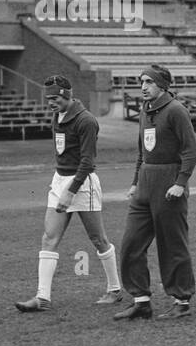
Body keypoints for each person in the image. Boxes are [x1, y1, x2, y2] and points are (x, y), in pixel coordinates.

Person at [15, 74, 123, 311]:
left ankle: (114, 289)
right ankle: (42, 298)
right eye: (48, 99)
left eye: (54, 98)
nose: (50, 103)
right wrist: (60, 186)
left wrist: (70, 191)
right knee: (48, 237)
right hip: (60, 181)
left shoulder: (86, 121)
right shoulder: (57, 115)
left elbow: (87, 162)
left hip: (82, 184)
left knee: (98, 239)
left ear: (66, 95)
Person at [114, 64, 196, 320]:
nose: (142, 87)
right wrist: (134, 182)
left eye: (148, 82)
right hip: (144, 184)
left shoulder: (176, 111)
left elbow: (191, 151)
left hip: (169, 183)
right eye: (141, 82)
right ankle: (141, 301)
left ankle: (181, 300)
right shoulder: (144, 110)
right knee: (130, 243)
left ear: (162, 85)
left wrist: (180, 182)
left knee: (172, 244)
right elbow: (143, 152)